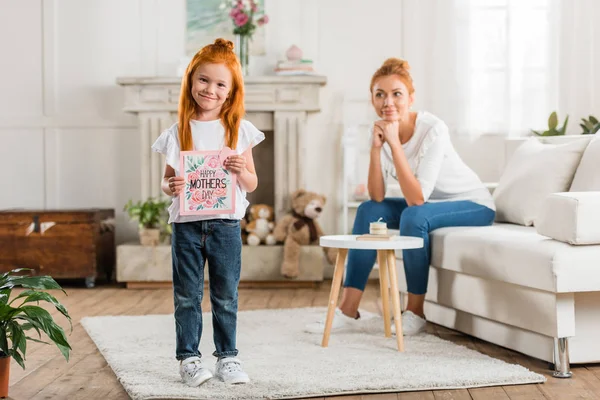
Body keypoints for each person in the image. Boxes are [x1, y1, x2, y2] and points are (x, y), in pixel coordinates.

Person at [307, 58, 496, 336]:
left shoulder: (433, 129)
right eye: (380, 94)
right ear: (372, 99)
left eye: (397, 94)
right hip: (431, 205)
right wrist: (375, 148)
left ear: (411, 98)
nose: (388, 102)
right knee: (368, 210)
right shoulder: (383, 128)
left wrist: (394, 144)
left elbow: (417, 200)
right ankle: (348, 310)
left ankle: (415, 313)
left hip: (473, 204)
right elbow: (378, 196)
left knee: (413, 214)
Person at [151, 38, 264, 387]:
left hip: (226, 224)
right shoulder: (177, 132)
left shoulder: (238, 130)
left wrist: (239, 168)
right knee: (186, 294)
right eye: (203, 80)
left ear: (230, 92)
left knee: (225, 293)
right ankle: (188, 358)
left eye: (220, 84)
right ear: (190, 81)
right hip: (186, 225)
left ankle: (227, 357)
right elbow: (167, 182)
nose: (210, 90)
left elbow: (252, 183)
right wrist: (170, 187)